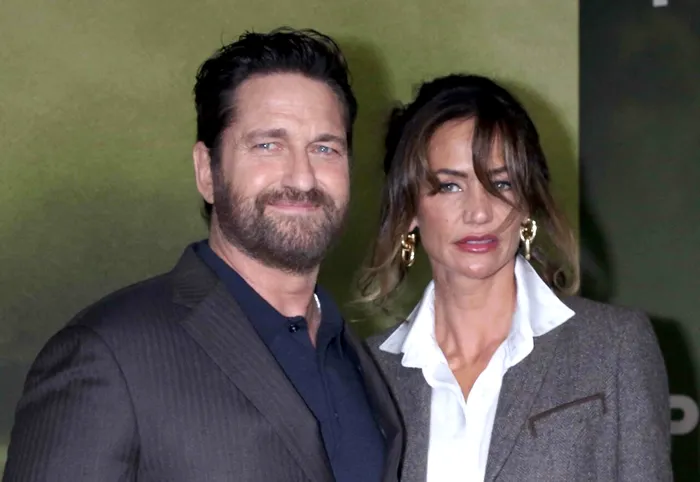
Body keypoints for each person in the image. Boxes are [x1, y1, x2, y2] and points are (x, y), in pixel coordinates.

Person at [3, 28, 403, 482]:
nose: (303, 177)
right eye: (268, 145)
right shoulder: (107, 355)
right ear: (206, 171)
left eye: (325, 148)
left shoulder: (359, 360)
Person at [359, 74, 671, 481]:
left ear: (526, 203)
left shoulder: (615, 346)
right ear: (409, 209)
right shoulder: (367, 373)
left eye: (501, 183)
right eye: (450, 186)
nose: (479, 212)